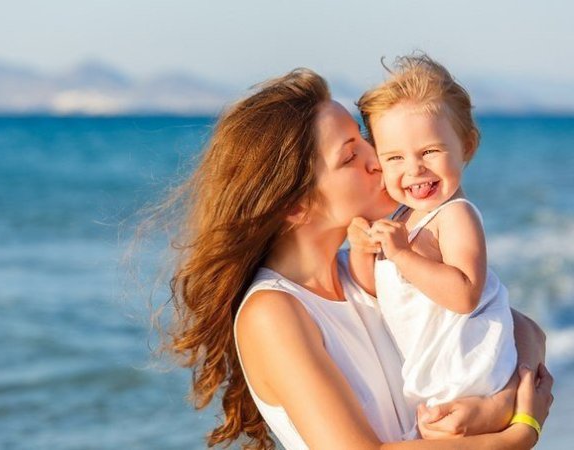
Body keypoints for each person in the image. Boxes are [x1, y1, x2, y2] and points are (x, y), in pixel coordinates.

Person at [157, 68, 552, 449]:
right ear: (295, 205)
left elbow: (523, 329)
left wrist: (500, 405)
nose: (378, 159)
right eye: (350, 156)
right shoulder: (273, 312)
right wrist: (518, 435)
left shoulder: (373, 270)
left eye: (365, 141)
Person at [349, 54, 517, 431]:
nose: (414, 168)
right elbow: (374, 292)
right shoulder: (400, 217)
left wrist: (402, 254)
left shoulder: (455, 215)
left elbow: (465, 294)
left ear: (467, 147)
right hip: (431, 380)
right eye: (394, 157)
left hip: (466, 374)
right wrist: (362, 249)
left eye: (429, 151)